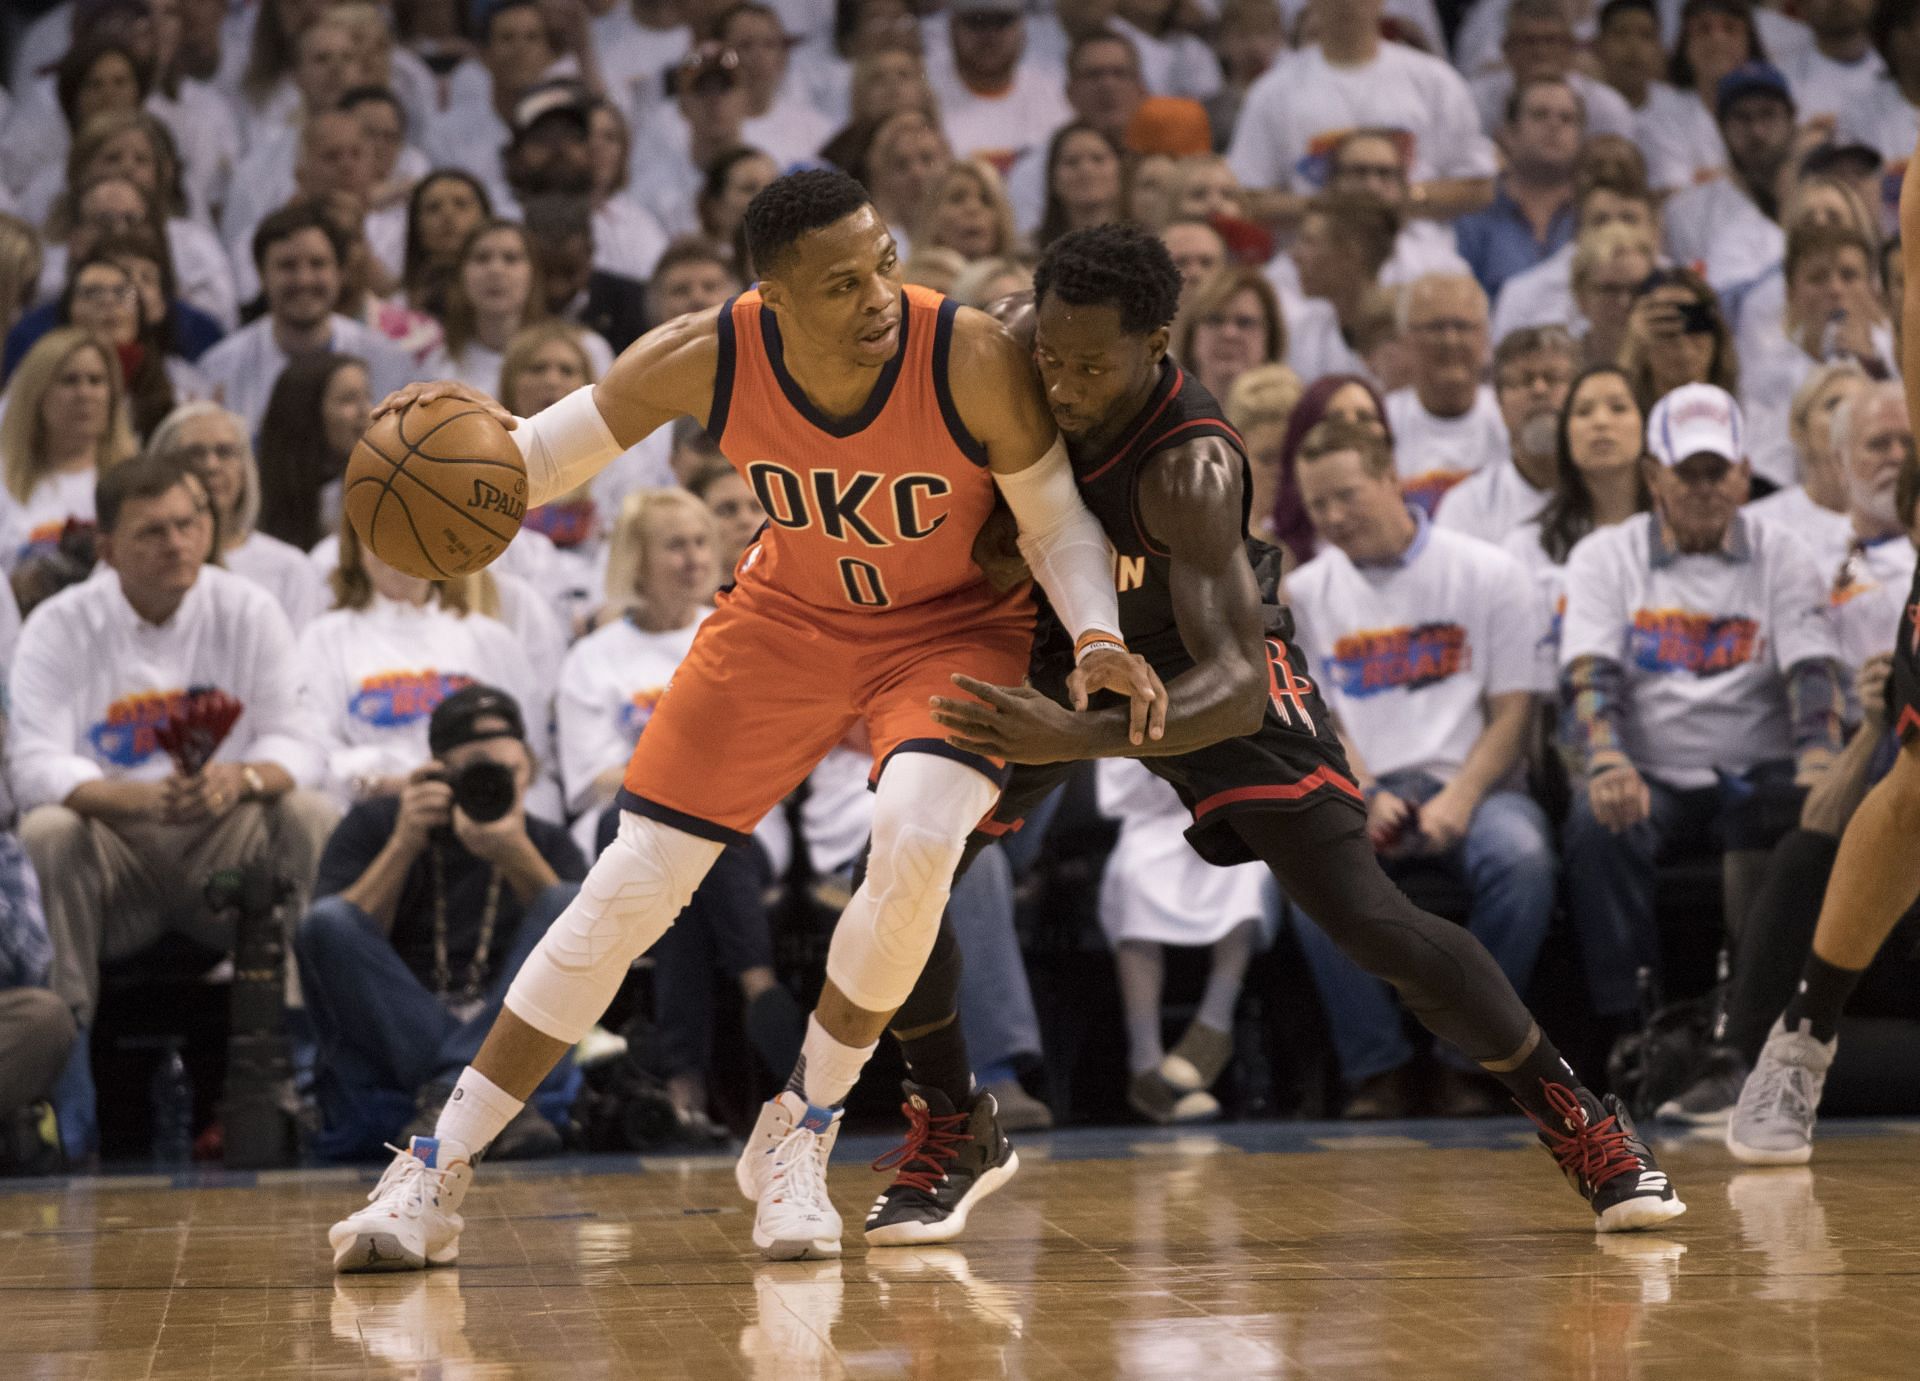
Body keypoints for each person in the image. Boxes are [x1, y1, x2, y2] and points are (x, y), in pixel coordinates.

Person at [325, 168, 1158, 1271]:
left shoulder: (968, 354)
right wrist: (425, 461)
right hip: (787, 617)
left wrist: (1097, 635)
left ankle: (800, 1130)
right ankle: (435, 1167)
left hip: (951, 627)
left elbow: (1054, 523)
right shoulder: (702, 353)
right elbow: (530, 461)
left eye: (884, 266)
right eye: (841, 283)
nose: (877, 297)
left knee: (915, 836)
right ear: (771, 298)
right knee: (628, 886)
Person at [873, 223, 1683, 1247]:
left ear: (1158, 343)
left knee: (1366, 919)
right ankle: (953, 1121)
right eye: (1052, 359)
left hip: (1206, 663)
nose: (1064, 384)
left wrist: (1075, 737)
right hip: (1056, 643)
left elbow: (1234, 690)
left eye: (1091, 365)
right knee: (906, 870)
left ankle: (1579, 1117)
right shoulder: (1007, 345)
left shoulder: (1193, 465)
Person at [11, 453, 335, 1159]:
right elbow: (32, 764)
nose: (179, 543)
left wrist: (239, 779)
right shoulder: (61, 624)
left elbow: (305, 740)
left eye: (190, 524)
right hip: (115, 857)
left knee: (310, 812)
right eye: (153, 531)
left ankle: (307, 1080)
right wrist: (132, 796)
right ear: (107, 549)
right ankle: (67, 1111)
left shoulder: (246, 607)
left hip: (223, 845)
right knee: (46, 829)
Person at [1286, 417, 1557, 1119]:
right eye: (1319, 506)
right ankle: (1378, 1067)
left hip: (1478, 785)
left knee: (1522, 859)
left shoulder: (1488, 571)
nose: (1335, 517)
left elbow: (1512, 713)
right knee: (1306, 872)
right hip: (1365, 789)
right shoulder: (1306, 593)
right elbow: (1323, 721)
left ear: (1390, 479)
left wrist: (1459, 800)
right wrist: (1366, 792)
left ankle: (1471, 1060)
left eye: (1348, 495)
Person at [1558, 383, 1846, 1032]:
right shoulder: (1605, 556)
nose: (1705, 487)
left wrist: (1821, 764)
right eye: (1689, 472)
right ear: (1653, 474)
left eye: (1720, 471)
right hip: (1651, 776)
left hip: (1760, 773)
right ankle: (1628, 1025)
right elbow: (1589, 681)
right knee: (1595, 822)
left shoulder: (1784, 553)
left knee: (1808, 814)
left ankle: (1770, 1022)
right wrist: (1606, 761)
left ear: (1745, 474)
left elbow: (1813, 676)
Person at [554, 489, 804, 1132]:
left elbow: (774, 749)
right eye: (675, 545)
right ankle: (758, 985)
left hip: (743, 831)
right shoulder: (593, 658)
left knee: (678, 848)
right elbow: (592, 781)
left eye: (700, 541)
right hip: (630, 829)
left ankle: (682, 1080)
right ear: (637, 560)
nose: (694, 558)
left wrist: (675, 771)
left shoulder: (740, 634)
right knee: (668, 835)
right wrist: (687, 766)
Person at [297, 684, 587, 1162]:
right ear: (438, 773)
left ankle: (451, 1089)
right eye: (476, 772)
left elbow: (587, 950)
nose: (494, 785)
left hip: (508, 1035)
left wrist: (515, 851)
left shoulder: (547, 843)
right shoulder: (382, 824)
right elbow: (331, 944)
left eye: (507, 773)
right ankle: (474, 1092)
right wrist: (403, 844)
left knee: (570, 902)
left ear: (529, 772)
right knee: (327, 920)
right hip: (401, 1039)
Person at [296, 520, 554, 813]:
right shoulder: (324, 638)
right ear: (355, 546)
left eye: (414, 530)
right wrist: (393, 784)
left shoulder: (492, 640)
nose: (400, 548)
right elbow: (313, 753)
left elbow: (534, 757)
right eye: (383, 533)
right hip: (373, 814)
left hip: (479, 815)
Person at [1227, 0, 1495, 231]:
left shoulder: (1435, 80)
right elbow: (1247, 196)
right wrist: (1329, 205)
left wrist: (1403, 198)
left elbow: (1479, 185)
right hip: (1311, 258)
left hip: (1417, 255)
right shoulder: (1273, 91)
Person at [195, 202, 417, 433]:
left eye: (318, 264)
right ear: (261, 274)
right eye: (287, 266)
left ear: (339, 273)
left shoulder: (388, 362)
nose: (304, 280)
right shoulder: (220, 368)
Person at [1502, 363, 1652, 667]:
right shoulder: (1526, 547)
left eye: (1618, 408)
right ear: (1565, 437)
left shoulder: (1677, 537)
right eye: (1583, 412)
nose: (1600, 422)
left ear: (1647, 426)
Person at [1740, 223, 1895, 490]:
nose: (1835, 289)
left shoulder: (1902, 357)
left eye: (1849, 275)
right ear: (1790, 292)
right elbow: (1763, 471)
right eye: (1818, 278)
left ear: (1872, 289)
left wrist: (1875, 369)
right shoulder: (1764, 375)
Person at [148, 401, 325, 629]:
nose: (211, 465)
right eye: (194, 453)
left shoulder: (291, 568)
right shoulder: (135, 556)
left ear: (245, 468)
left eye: (225, 452)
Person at [0, 328, 137, 577]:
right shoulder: (4, 479)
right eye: (69, 380)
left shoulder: (137, 480)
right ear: (37, 394)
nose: (84, 394)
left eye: (96, 381)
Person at [1434, 324, 1578, 545]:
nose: (1539, 390)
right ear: (1499, 402)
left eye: (1553, 378)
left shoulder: (1608, 492)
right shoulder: (1467, 505)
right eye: (1524, 380)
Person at [1662, 62, 1797, 294]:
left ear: (1791, 121)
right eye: (1742, 118)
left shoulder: (1823, 202)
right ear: (1721, 127)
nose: (1757, 131)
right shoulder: (1686, 212)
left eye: (1768, 114)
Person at [1386, 275, 1507, 515]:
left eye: (1462, 326)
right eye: (1436, 327)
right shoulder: (1380, 421)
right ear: (1405, 339)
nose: (1450, 341)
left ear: (1485, 338)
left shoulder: (1510, 417)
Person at [1456, 77, 1584, 301]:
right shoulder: (1474, 212)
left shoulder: (1594, 213)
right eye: (1540, 115)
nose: (1554, 125)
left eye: (1567, 119)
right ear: (1509, 134)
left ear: (1580, 139)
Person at [251, 352, 369, 554]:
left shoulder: (376, 488)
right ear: (308, 412)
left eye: (367, 396)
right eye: (348, 400)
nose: (366, 411)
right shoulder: (257, 496)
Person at [1618, 266, 1740, 410]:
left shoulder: (1749, 418)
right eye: (1663, 323)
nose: (1682, 341)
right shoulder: (1621, 423)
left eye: (1695, 321)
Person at [1174, 267, 1284, 408]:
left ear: (1270, 338)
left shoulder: (1295, 421)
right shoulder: (1159, 419)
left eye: (1244, 322)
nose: (1229, 334)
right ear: (1191, 335)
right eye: (1214, 320)